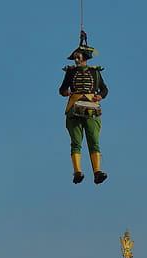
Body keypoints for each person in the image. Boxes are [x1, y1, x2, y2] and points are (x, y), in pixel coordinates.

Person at [59, 32, 108, 184]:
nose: (76, 59)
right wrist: (66, 93)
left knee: (94, 140)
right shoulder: (70, 72)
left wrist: (100, 96)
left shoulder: (95, 72)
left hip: (91, 108)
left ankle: (97, 171)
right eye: (75, 57)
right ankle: (77, 171)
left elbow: (104, 89)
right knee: (76, 141)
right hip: (74, 107)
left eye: (78, 56)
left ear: (85, 57)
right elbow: (62, 89)